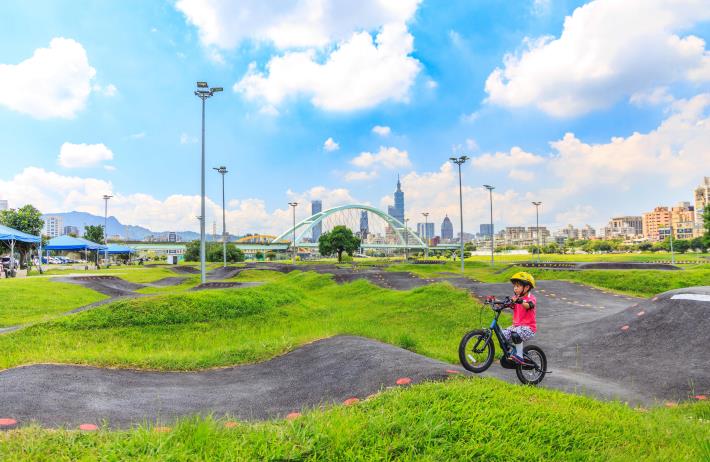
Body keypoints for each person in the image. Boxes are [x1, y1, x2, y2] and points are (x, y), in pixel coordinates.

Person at [503, 271, 537, 365]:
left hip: (529, 328)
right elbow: (508, 304)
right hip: (517, 327)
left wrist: (519, 301)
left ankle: (519, 356)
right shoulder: (516, 297)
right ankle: (510, 354)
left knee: (515, 334)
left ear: (526, 287)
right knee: (503, 335)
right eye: (514, 286)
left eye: (518, 286)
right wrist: (496, 302)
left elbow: (528, 305)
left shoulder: (531, 298)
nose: (515, 288)